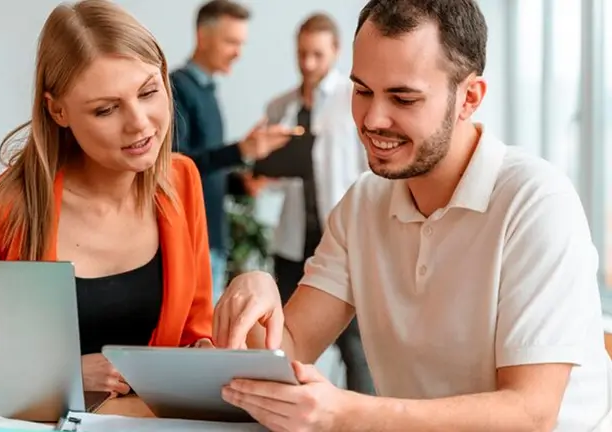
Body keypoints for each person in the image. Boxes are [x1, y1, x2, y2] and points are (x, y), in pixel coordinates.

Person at [212, 0, 612, 430]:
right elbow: (288, 351)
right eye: (362, 90)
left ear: (469, 98)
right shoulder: (363, 204)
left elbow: (531, 414)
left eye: (403, 98)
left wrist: (345, 413)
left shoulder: (536, 203)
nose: (372, 119)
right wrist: (255, 290)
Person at [0, 0, 214, 402]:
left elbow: (194, 334)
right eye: (106, 109)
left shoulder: (181, 181)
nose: (139, 122)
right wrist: (61, 371)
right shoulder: (3, 207)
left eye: (149, 92)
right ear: (58, 111)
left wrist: (209, 356)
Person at [252, 13, 372, 394]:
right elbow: (266, 182)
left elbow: (367, 171)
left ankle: (359, 417)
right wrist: (260, 168)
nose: (308, 63)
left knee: (355, 347)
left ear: (336, 52)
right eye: (302, 53)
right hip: (292, 243)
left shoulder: (353, 102)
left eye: (317, 55)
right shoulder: (279, 106)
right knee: (285, 344)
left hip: (339, 242)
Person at [170, 0, 300, 302]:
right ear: (203, 36)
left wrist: (242, 184)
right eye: (231, 42)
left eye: (241, 43)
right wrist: (240, 149)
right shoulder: (177, 89)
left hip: (211, 242)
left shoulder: (209, 92)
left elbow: (206, 171)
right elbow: (176, 167)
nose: (238, 52)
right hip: (190, 244)